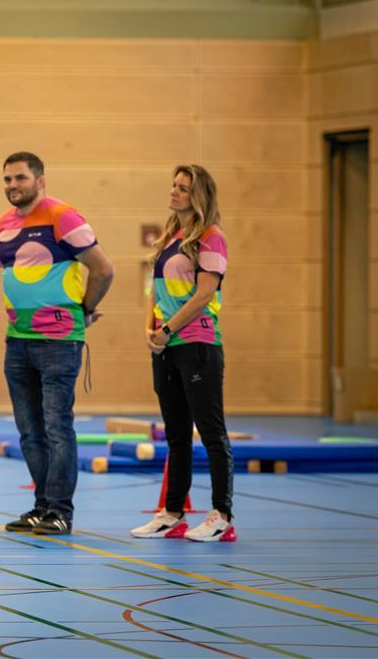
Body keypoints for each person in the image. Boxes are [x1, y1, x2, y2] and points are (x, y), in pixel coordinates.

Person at [0, 151, 115, 535]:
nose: (13, 186)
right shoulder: (2, 225)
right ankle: (42, 506)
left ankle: (61, 510)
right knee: (29, 431)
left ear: (40, 181)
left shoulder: (64, 217)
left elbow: (104, 268)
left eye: (20, 178)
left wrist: (85, 308)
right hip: (18, 342)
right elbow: (17, 276)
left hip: (58, 342)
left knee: (56, 427)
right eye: (8, 180)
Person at [131, 165, 236, 542]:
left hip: (197, 345)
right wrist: (150, 329)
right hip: (165, 346)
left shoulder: (211, 238)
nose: (174, 193)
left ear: (199, 196)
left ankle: (222, 515)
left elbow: (204, 294)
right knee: (176, 434)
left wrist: (169, 328)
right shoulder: (170, 236)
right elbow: (154, 289)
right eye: (174, 186)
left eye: (183, 188)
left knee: (211, 431)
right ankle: (172, 513)